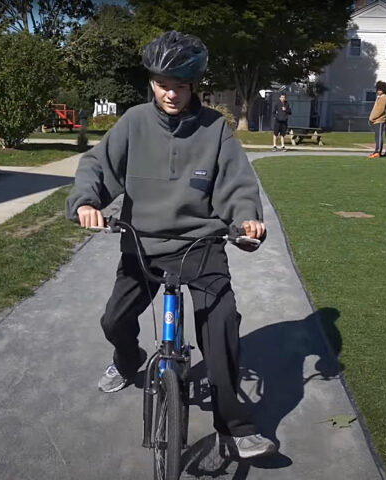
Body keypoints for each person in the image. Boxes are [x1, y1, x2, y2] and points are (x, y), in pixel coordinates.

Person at [66, 30, 276, 459]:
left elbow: (236, 184)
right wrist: (87, 201)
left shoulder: (215, 129)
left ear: (194, 85)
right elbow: (98, 167)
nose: (170, 94)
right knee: (113, 321)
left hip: (201, 246)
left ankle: (233, 426)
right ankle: (128, 361)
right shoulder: (133, 122)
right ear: (152, 82)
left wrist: (247, 220)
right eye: (163, 84)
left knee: (221, 334)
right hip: (142, 245)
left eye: (179, 86)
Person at [368, 81, 386, 159]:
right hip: (376, 120)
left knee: (379, 137)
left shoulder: (383, 97)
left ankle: (378, 152)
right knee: (377, 137)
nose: (378, 91)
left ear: (383, 90)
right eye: (377, 89)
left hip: (379, 120)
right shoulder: (380, 97)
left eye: (380, 89)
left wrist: (372, 118)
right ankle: (376, 151)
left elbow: (379, 110)